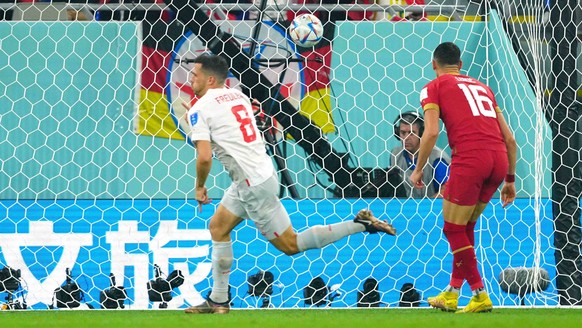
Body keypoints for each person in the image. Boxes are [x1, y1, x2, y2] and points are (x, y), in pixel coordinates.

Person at [183, 53, 397, 314]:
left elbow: (204, 157)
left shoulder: (200, 110)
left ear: (211, 78)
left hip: (252, 184)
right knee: (218, 227)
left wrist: (200, 186)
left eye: (195, 73)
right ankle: (218, 300)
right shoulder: (236, 95)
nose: (191, 77)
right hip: (258, 174)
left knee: (290, 245)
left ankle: (359, 224)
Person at [409, 42, 517, 313]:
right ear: (461, 65)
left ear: (434, 64)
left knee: (452, 229)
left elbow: (431, 132)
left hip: (470, 159)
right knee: (465, 227)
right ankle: (453, 292)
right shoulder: (484, 89)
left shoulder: (433, 87)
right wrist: (510, 180)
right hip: (499, 160)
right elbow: (511, 139)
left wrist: (419, 168)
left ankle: (480, 293)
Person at [390, 111, 450, 198]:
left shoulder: (437, 158)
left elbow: (446, 190)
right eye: (403, 133)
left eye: (411, 133)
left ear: (421, 133)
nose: (406, 138)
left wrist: (425, 206)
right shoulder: (395, 155)